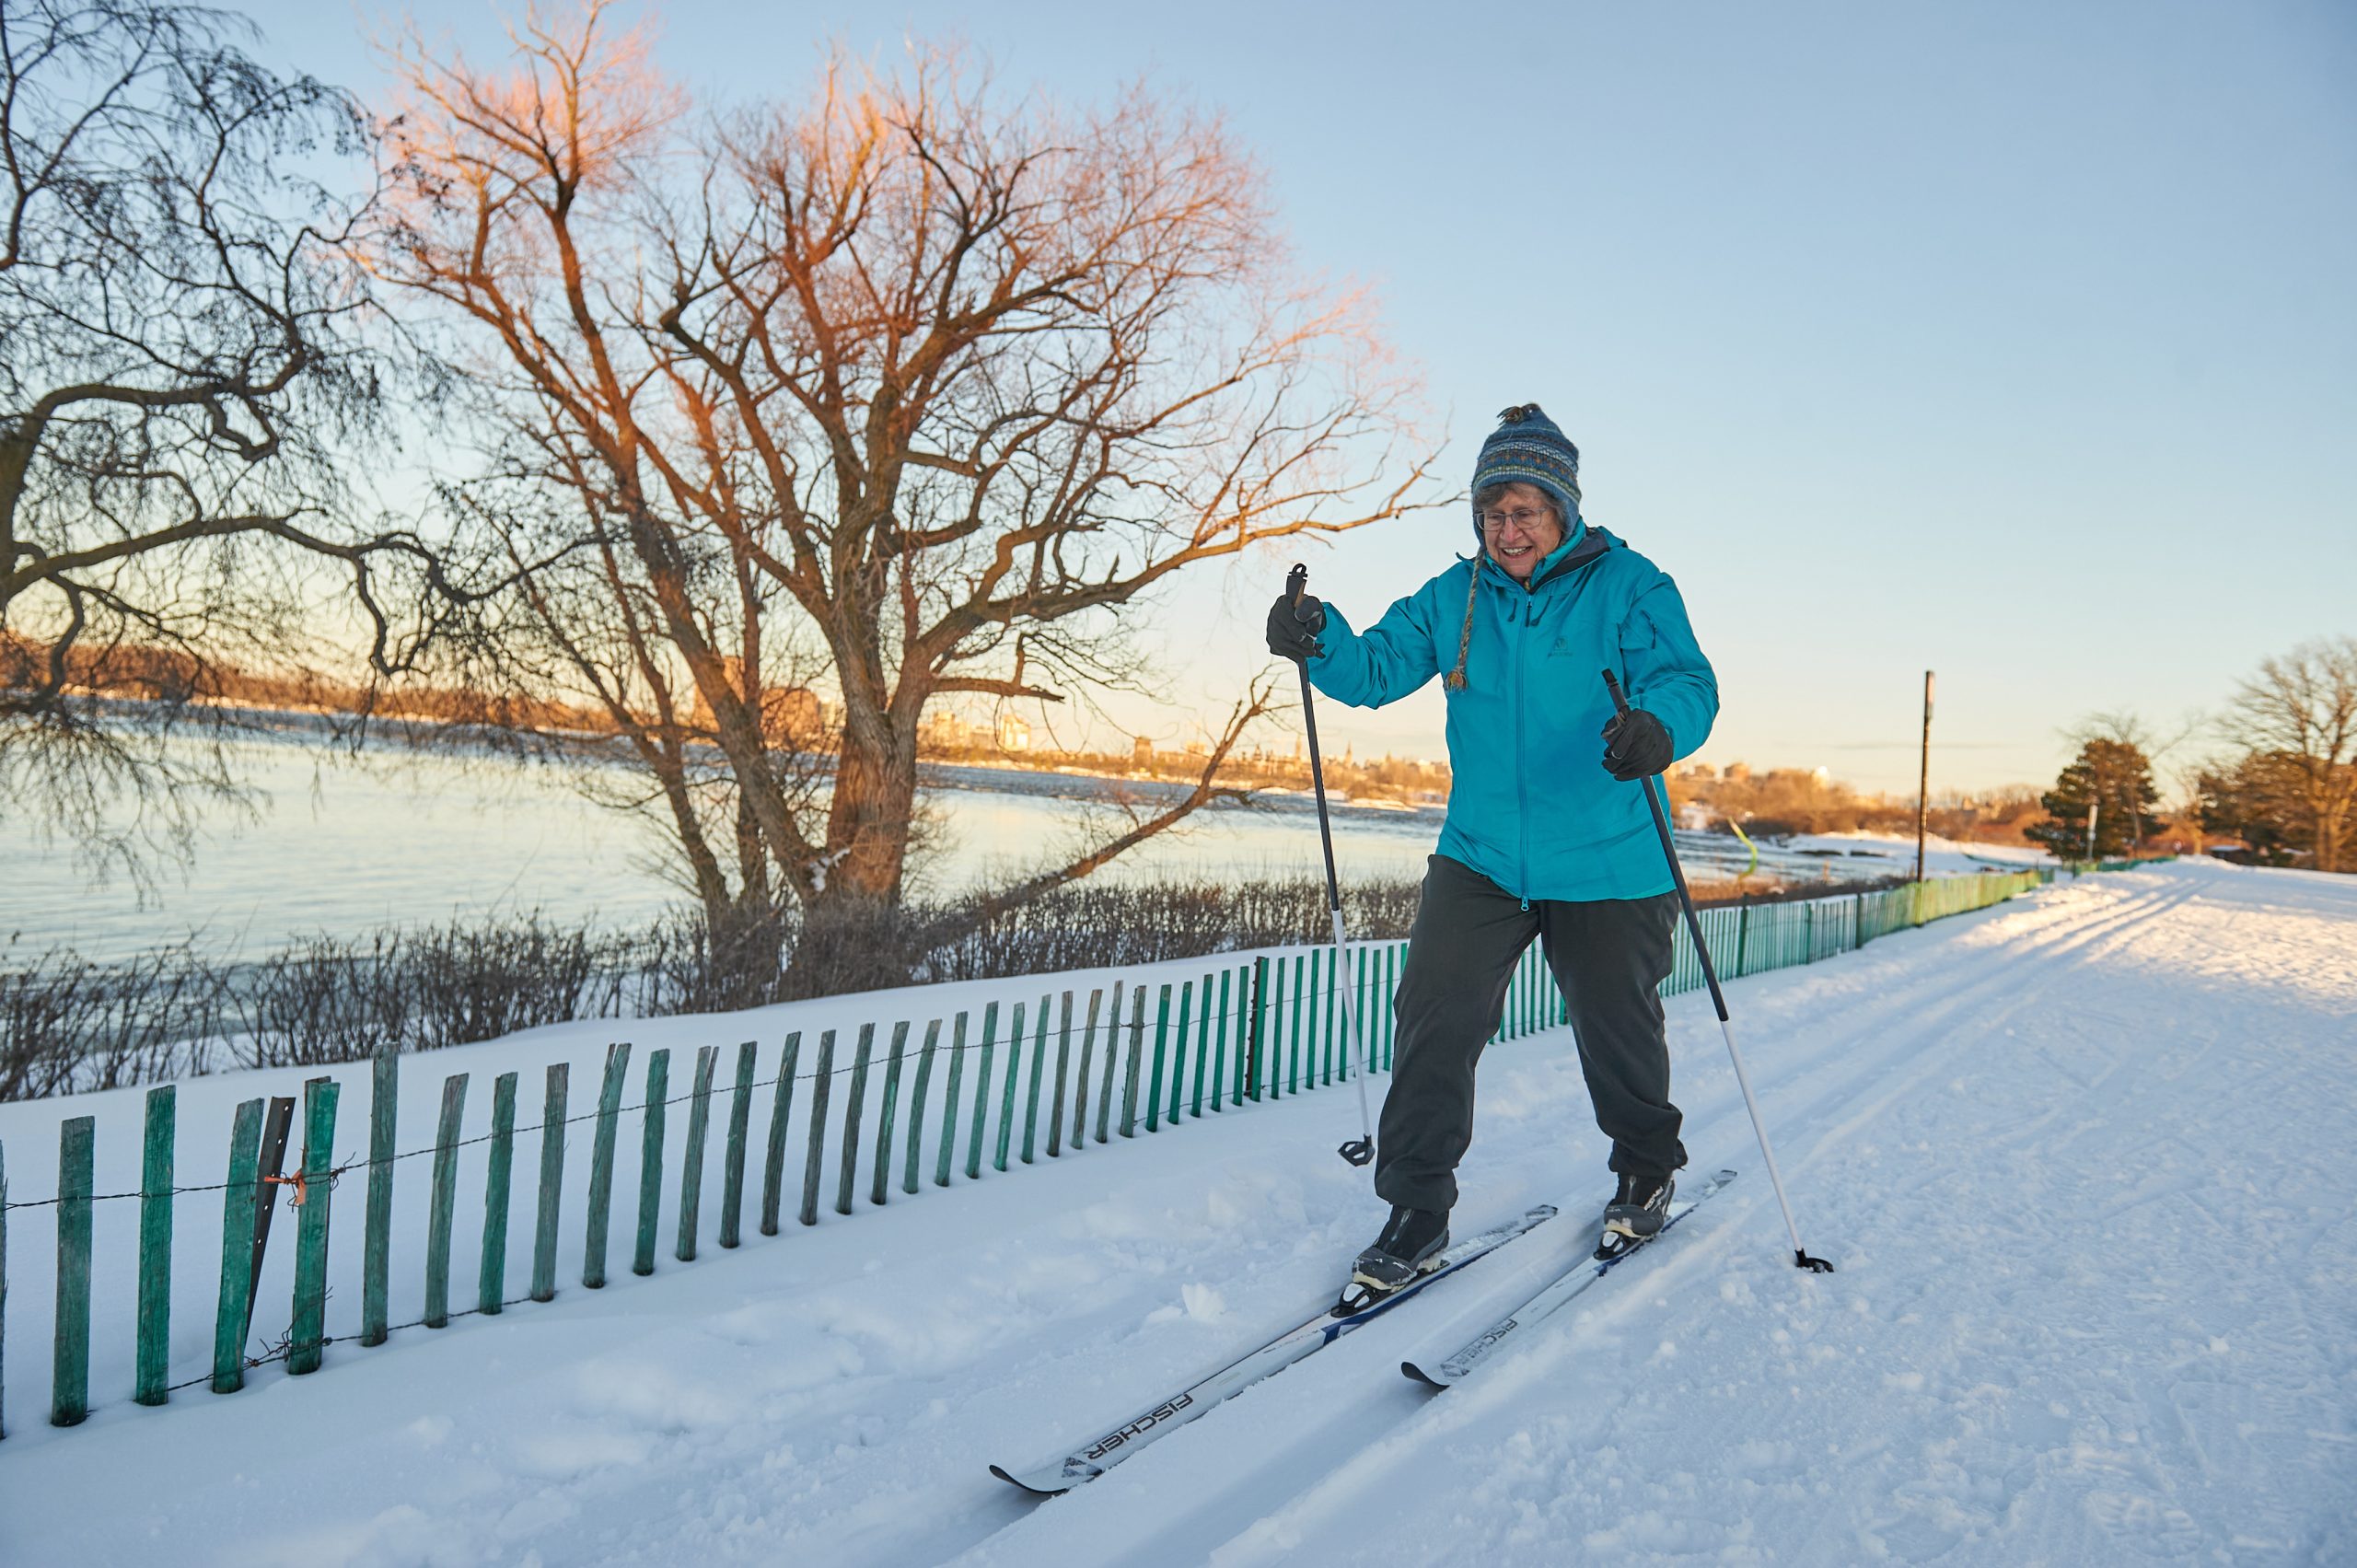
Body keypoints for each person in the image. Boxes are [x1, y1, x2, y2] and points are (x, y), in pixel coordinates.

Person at [1265, 403, 1719, 1294]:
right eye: (1493, 514)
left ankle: (1645, 1165)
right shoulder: (1456, 595)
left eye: (1526, 512)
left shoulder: (1630, 585)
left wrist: (1657, 730)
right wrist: (1317, 639)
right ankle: (1416, 1208)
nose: (1508, 531)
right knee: (1436, 1015)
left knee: (1616, 1024)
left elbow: (1687, 681)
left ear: (1563, 511)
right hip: (1480, 854)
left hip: (1607, 852)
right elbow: (1376, 667)